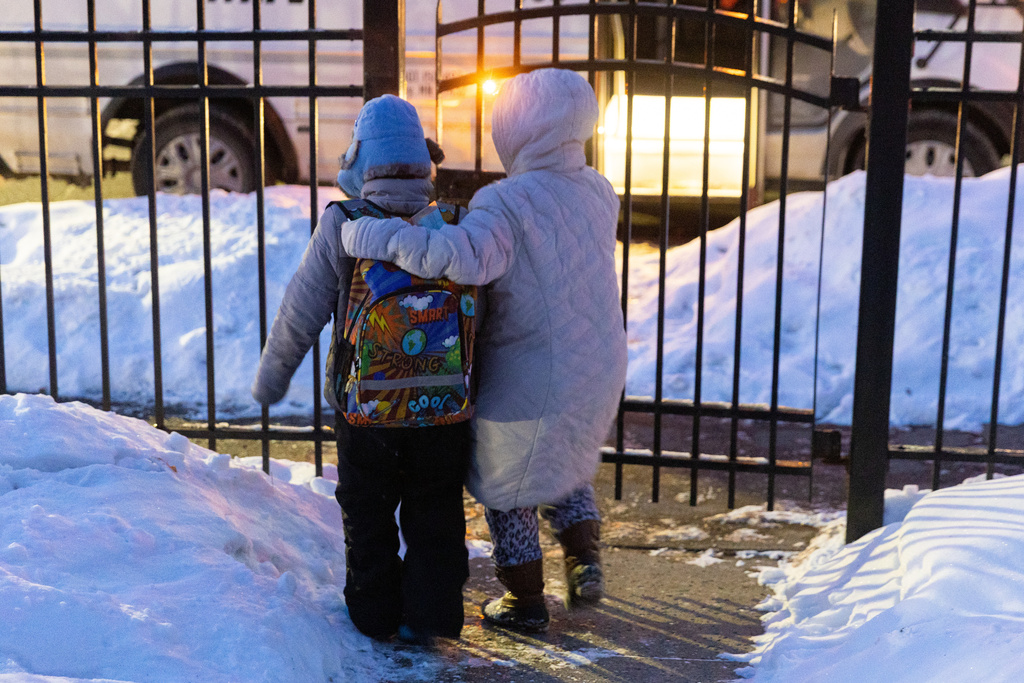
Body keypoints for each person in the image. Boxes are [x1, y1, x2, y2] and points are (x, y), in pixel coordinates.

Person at [339, 68, 628, 633]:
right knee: (563, 460)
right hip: (599, 365)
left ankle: (524, 601)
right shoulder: (599, 190)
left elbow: (459, 258)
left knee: (508, 481)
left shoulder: (505, 202)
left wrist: (381, 238)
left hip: (531, 370)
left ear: (516, 130)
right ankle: (582, 557)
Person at [251, 94, 470, 645]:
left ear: (359, 158)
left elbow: (300, 311)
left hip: (364, 410)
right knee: (435, 506)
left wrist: (271, 377)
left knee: (367, 509)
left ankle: (373, 611)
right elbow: (481, 317)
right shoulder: (453, 226)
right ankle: (434, 611)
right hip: (443, 409)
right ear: (424, 156)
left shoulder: (343, 223)